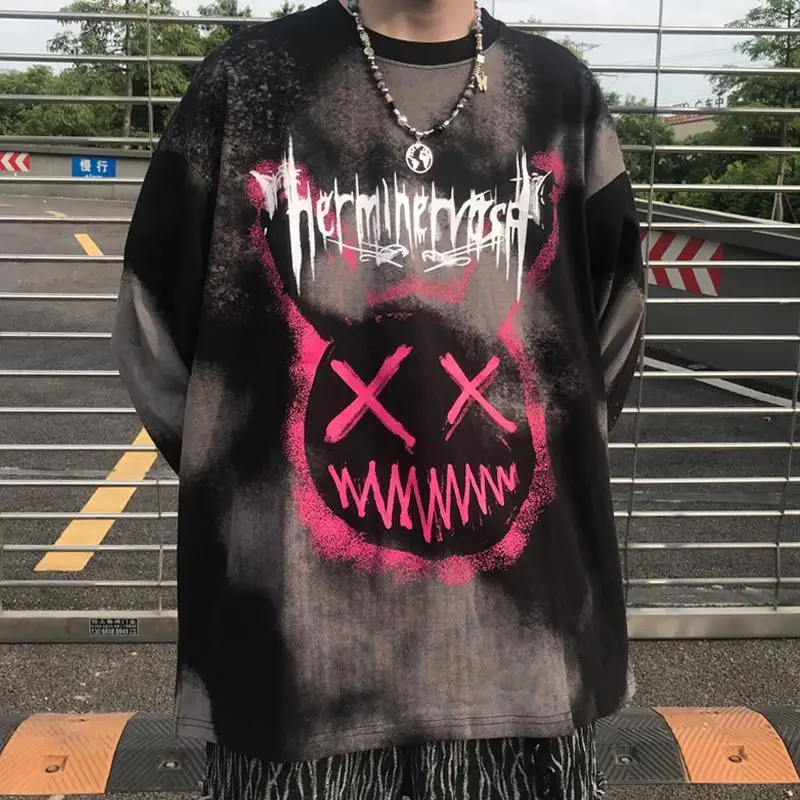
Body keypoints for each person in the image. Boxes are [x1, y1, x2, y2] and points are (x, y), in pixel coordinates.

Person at [112, 0, 645, 797]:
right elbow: (154, 333)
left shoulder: (562, 96)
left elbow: (611, 333)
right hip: (297, 672)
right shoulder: (246, 84)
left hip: (527, 666)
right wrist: (251, 486)